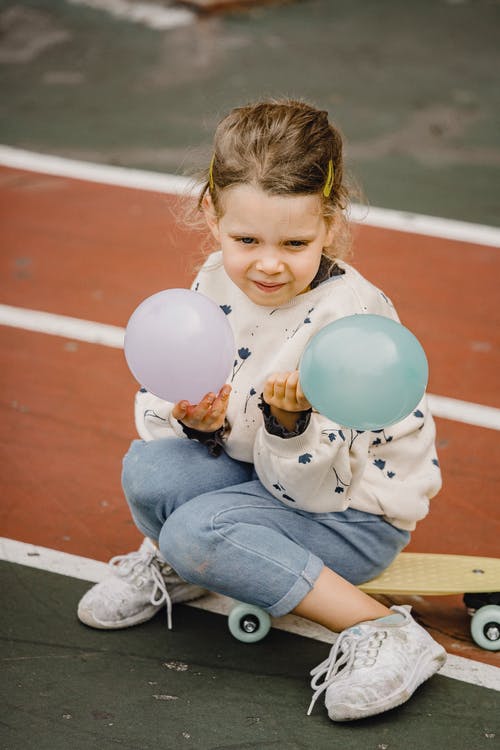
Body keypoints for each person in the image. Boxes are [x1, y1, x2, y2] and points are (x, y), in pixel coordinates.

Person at [77, 99, 446, 722]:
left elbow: (316, 490)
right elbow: (197, 416)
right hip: (263, 480)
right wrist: (202, 425)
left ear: (331, 224)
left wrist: (288, 423)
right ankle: (182, 567)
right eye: (246, 239)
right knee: (151, 470)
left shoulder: (348, 320)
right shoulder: (215, 278)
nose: (268, 263)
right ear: (211, 215)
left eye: (295, 242)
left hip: (348, 512)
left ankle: (388, 632)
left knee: (196, 531)